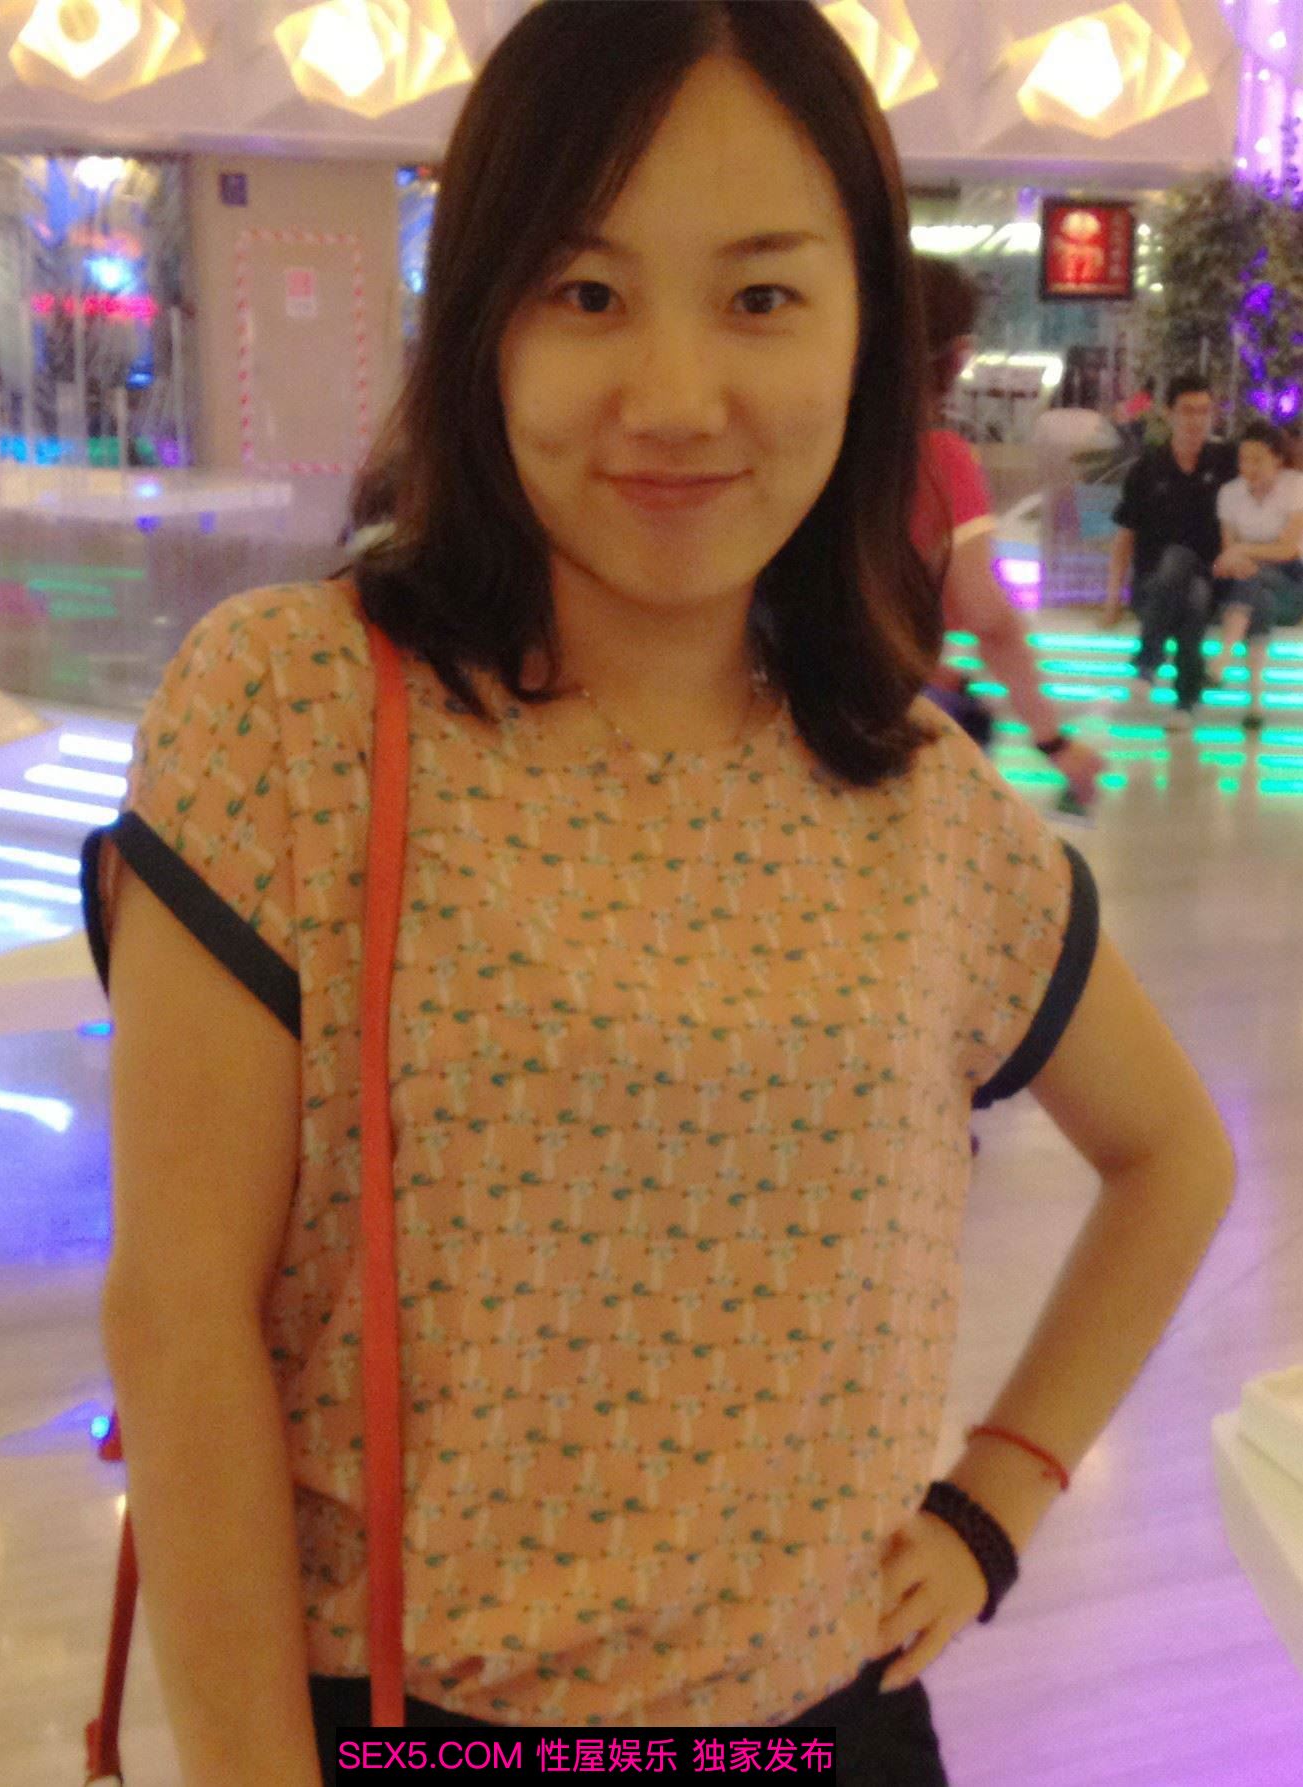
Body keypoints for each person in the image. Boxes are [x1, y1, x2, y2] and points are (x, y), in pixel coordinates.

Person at [82, 6, 1234, 1785]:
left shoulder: (920, 799)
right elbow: (181, 1320)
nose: (679, 397)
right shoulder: (293, 714)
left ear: (863, 335)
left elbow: (1173, 1156)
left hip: (828, 1728)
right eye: (587, 292)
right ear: (483, 321)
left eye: (761, 295)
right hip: (413, 1727)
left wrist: (998, 1494)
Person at [913, 256, 1105, 809]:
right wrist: (1053, 740)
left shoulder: (808, 452)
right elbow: (987, 616)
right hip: (887, 733)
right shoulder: (940, 462)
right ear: (959, 355)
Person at [1102, 374, 1237, 726]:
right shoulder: (1146, 469)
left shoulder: (1226, 462)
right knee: (1185, 581)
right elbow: (1125, 537)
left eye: (1204, 411)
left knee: (1191, 578)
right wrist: (1113, 597)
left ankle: (1147, 663)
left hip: (1211, 578)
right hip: (1153, 585)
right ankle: (1186, 702)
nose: (1197, 420)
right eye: (1188, 410)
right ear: (1168, 413)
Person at [1211, 418, 1303, 729]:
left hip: (1290, 582)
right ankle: (1255, 703)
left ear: (1277, 459)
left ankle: (1225, 657)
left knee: (1254, 579)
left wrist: (1243, 550)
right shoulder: (1229, 493)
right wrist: (1239, 555)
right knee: (1257, 595)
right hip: (1249, 585)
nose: (1248, 467)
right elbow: (1230, 555)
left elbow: (1287, 550)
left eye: (1257, 460)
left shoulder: (1296, 486)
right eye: (1243, 459)